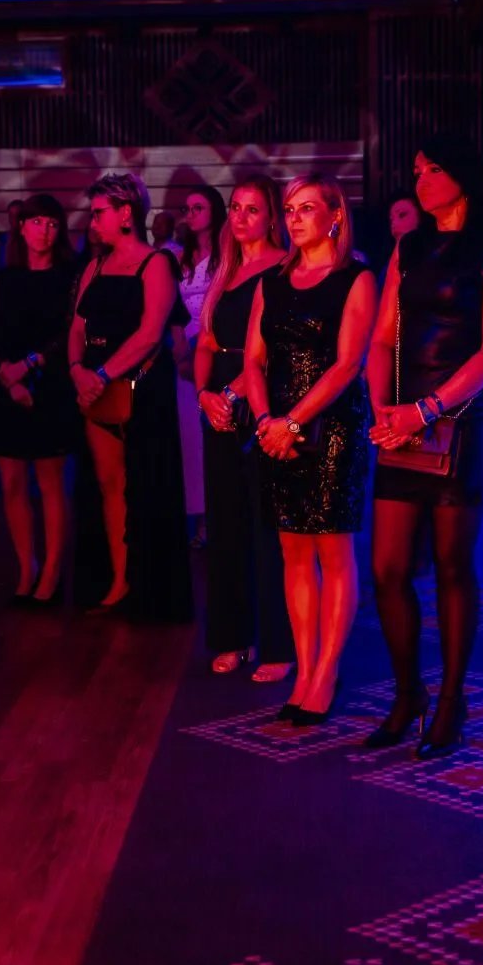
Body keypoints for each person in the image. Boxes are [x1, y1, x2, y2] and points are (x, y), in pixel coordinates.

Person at [366, 134, 483, 758]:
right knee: (387, 568)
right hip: (400, 419)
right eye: (417, 170)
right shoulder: (408, 246)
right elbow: (383, 337)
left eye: (433, 169)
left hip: (459, 419)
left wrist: (426, 409)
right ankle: (409, 693)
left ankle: (452, 700)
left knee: (453, 564)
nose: (421, 179)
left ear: (462, 175)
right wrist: (385, 409)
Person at [241, 174, 375, 724]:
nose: (293, 219)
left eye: (306, 208)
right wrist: (266, 421)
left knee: (332, 551)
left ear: (335, 214)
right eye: (289, 209)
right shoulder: (270, 282)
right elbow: (253, 360)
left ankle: (326, 671)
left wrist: (293, 422)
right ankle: (304, 668)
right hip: (275, 429)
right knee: (293, 551)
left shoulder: (355, 278)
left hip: (332, 426)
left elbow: (347, 364)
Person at [68, 173, 192, 621]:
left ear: (126, 213)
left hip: (141, 388)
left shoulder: (156, 263)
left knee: (146, 486)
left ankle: (148, 587)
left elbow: (150, 333)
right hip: (96, 388)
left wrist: (101, 374)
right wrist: (78, 370)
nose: (93, 222)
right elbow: (77, 327)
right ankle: (118, 580)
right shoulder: (94, 267)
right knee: (107, 485)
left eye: (99, 213)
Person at [194, 176, 295, 682]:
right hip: (217, 404)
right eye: (235, 207)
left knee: (266, 526)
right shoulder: (225, 270)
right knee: (226, 525)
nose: (239, 217)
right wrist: (204, 394)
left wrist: (231, 395)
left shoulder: (283, 268)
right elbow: (205, 343)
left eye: (252, 209)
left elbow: (274, 350)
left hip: (260, 399)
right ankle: (233, 637)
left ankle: (278, 642)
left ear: (272, 216)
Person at [0, 193, 79, 606]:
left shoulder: (68, 276)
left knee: (50, 481)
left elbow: (70, 332)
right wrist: (8, 377)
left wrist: (30, 365)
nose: (45, 231)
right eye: (37, 222)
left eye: (52, 223)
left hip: (50, 385)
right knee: (11, 483)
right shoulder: (5, 278)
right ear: (21, 227)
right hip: (8, 386)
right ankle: (27, 566)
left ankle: (53, 570)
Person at [173, 184, 223, 546]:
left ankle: (217, 516)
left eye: (198, 208)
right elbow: (171, 309)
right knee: (189, 439)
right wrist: (179, 350)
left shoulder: (227, 254)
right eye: (187, 209)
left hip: (215, 346)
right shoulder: (180, 257)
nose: (190, 215)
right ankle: (196, 515)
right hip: (184, 349)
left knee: (213, 436)